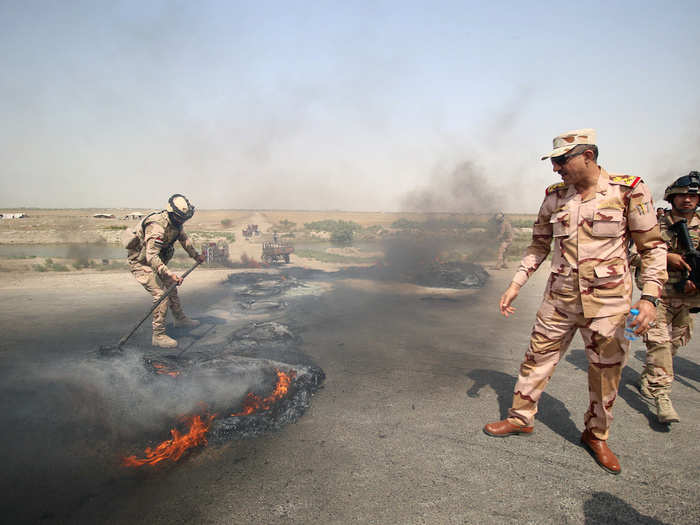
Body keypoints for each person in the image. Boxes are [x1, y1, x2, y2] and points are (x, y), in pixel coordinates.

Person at [483, 129, 667, 475]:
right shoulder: (555, 196)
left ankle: (596, 434)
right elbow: (539, 244)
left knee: (605, 373)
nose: (555, 168)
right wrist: (516, 283)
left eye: (561, 160)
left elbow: (652, 247)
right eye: (553, 161)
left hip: (609, 306)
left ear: (588, 156)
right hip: (559, 300)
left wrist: (651, 297)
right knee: (535, 359)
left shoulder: (628, 190)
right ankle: (521, 418)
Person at [638, 172, 700, 423]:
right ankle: (662, 397)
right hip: (659, 295)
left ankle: (649, 374)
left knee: (673, 344)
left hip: (688, 298)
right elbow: (634, 254)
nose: (687, 200)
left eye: (693, 196)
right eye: (682, 195)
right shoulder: (654, 223)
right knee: (660, 343)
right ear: (671, 197)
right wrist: (667, 258)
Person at [127, 194, 205, 348]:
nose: (183, 221)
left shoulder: (176, 223)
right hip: (141, 263)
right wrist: (169, 273)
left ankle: (180, 320)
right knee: (161, 295)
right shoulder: (157, 226)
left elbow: (184, 240)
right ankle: (158, 335)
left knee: (171, 288)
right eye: (181, 218)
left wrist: (196, 256)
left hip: (156, 262)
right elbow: (151, 256)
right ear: (173, 213)